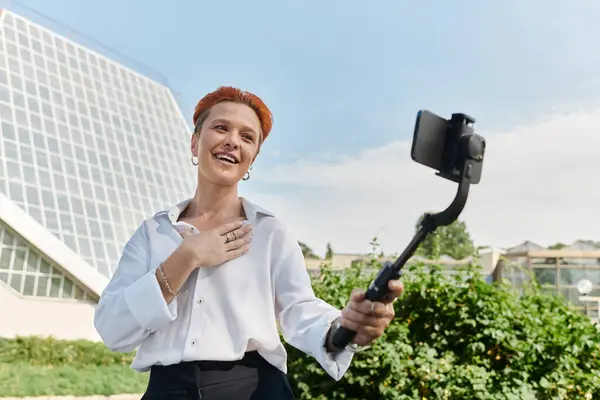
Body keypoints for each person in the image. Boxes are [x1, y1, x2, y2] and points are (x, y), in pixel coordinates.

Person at [93, 86, 404, 400]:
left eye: (247, 137)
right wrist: (185, 257)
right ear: (194, 142)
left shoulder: (270, 233)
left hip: (255, 389)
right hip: (167, 389)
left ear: (253, 157)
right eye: (221, 127)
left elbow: (300, 310)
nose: (232, 141)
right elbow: (112, 329)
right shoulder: (152, 233)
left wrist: (347, 329)